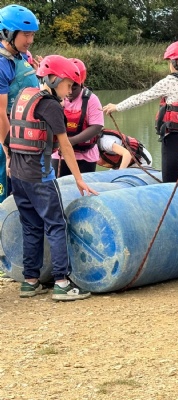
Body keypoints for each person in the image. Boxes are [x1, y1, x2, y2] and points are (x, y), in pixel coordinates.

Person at [9, 55, 98, 301]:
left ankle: (30, 281)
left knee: (31, 226)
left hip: (17, 176)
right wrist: (79, 179)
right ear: (55, 79)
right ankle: (61, 282)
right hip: (39, 176)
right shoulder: (51, 105)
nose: (69, 91)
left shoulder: (24, 96)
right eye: (68, 85)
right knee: (56, 224)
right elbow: (65, 146)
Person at [103, 39, 178, 183]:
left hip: (175, 139)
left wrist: (117, 107)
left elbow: (143, 97)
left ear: (177, 62)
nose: (169, 64)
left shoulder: (171, 81)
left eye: (170, 61)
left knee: (170, 184)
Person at [0, 4, 40, 199]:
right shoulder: (1, 64)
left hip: (24, 132)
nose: (30, 40)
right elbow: (0, 113)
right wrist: (10, 153)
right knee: (6, 194)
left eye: (32, 34)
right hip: (7, 138)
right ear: (8, 33)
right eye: (25, 34)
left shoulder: (19, 55)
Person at [51, 58, 104, 177]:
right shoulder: (56, 97)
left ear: (81, 84)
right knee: (58, 184)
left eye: (74, 88)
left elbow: (97, 126)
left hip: (85, 156)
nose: (70, 92)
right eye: (67, 86)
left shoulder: (91, 99)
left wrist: (72, 141)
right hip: (60, 154)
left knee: (83, 186)